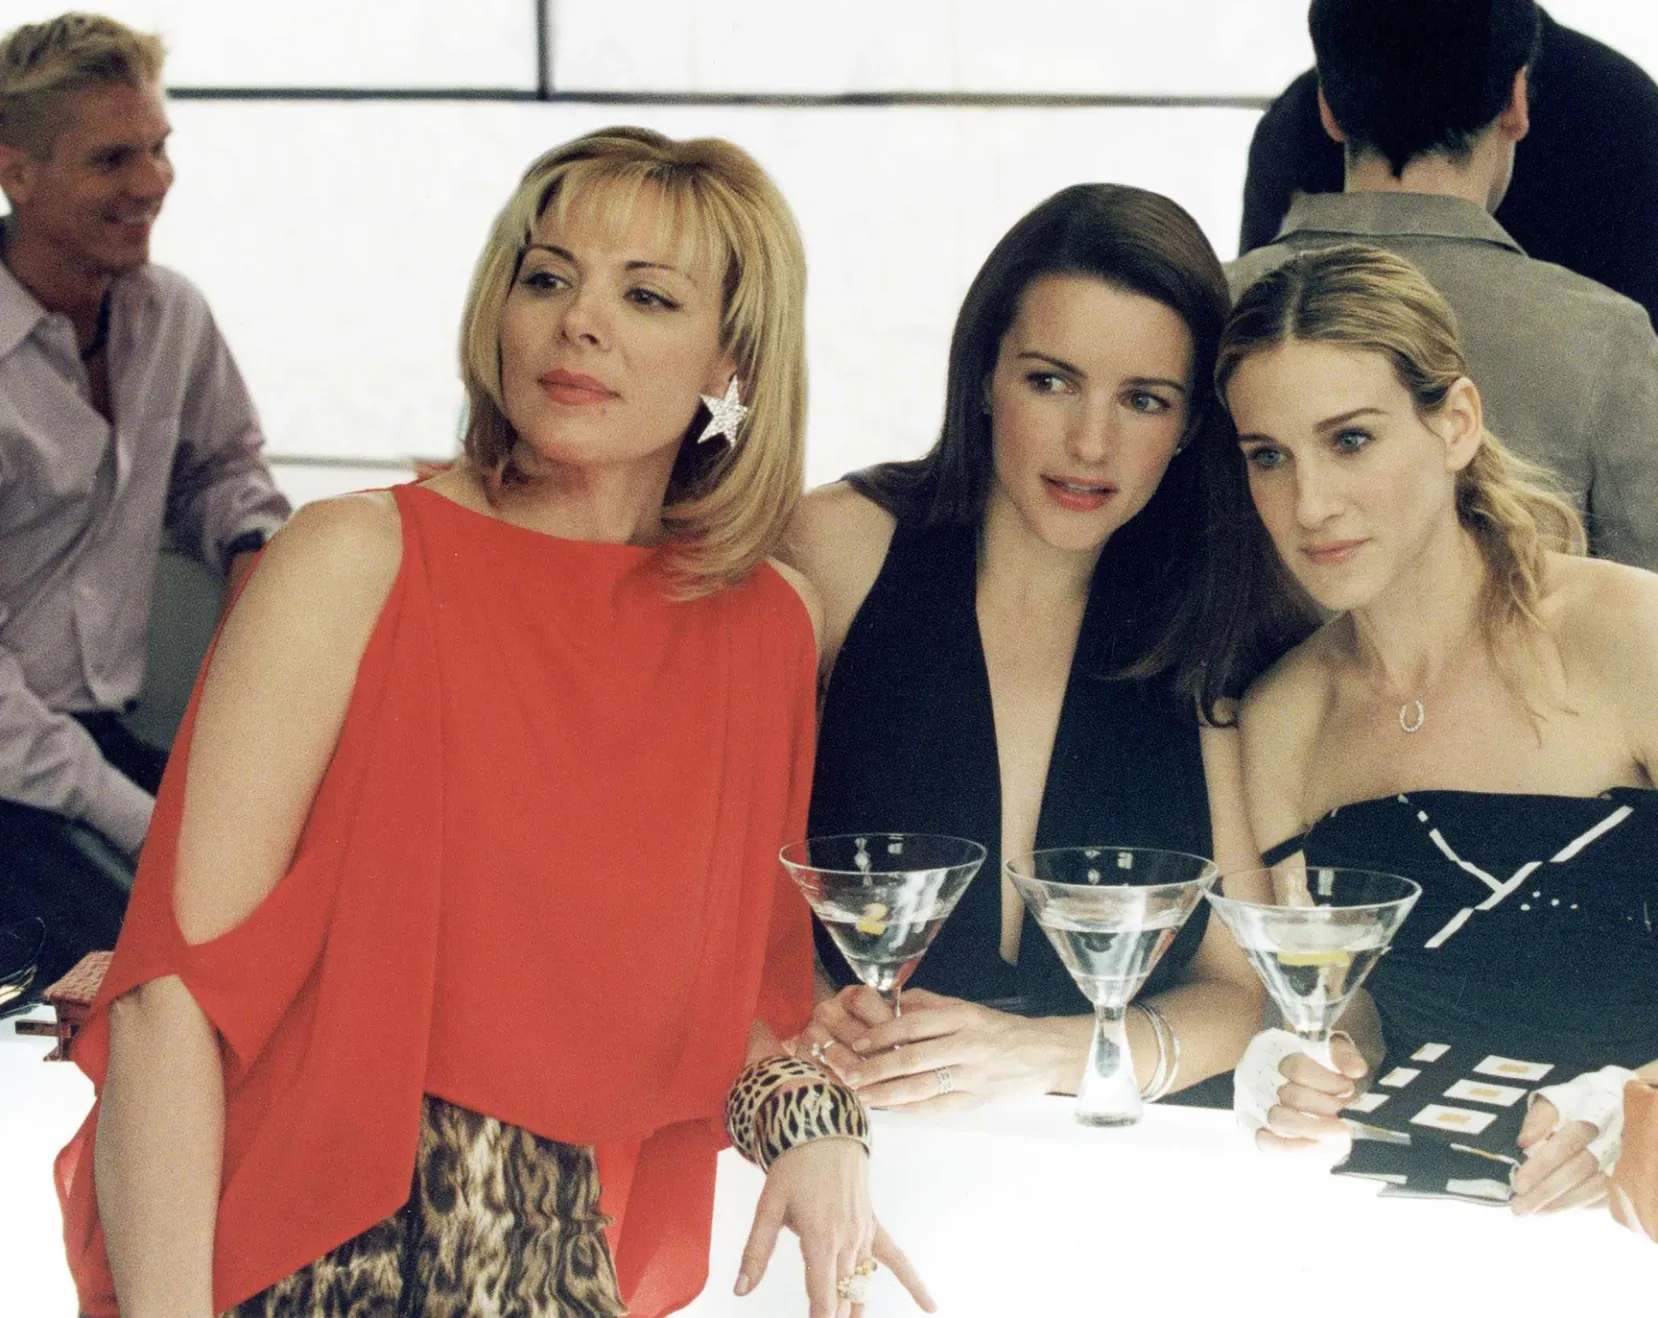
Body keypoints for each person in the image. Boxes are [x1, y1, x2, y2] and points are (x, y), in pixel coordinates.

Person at [53, 127, 928, 1318]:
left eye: (647, 295)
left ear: (732, 357)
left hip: (542, 1271)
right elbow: (171, 998)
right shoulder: (352, 560)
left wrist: (818, 1126)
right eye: (548, 276)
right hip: (293, 1260)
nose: (580, 322)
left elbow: (733, 1011)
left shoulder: (766, 625)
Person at [1216, 243, 1658, 1215]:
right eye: (1268, 456)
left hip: (1649, 1210)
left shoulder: (1636, 633)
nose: (1309, 503)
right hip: (1388, 1213)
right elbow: (1350, 1005)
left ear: (1455, 423)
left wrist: (1640, 1106)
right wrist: (1308, 1061)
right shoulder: (1279, 718)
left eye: (1351, 440)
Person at [782, 184, 1287, 1112]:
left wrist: (1043, 1054)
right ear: (983, 375)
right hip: (836, 1121)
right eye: (1050, 381)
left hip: (1111, 1151)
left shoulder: (1211, 617)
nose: (1090, 443)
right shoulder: (835, 553)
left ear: (1189, 427)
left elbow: (1239, 994)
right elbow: (720, 889)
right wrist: (810, 1023)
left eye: (1143, 399)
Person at [1227, 0, 1658, 670]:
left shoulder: (1201, 305)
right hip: (1525, 719)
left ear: (1328, 107)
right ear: (1516, 102)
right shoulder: (1601, 335)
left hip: (1229, 726)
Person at [0, 12, 288, 985]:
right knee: (168, 973)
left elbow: (224, 471)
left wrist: (256, 556)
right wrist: (141, 819)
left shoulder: (173, 316)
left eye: (158, 148)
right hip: (18, 767)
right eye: (112, 159)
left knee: (304, 902)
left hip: (99, 741)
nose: (152, 182)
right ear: (16, 172)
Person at [1238, 7, 1658, 386]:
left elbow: (1251, 325)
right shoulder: (1628, 105)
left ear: (1329, 110)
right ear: (1517, 101)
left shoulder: (1297, 111)